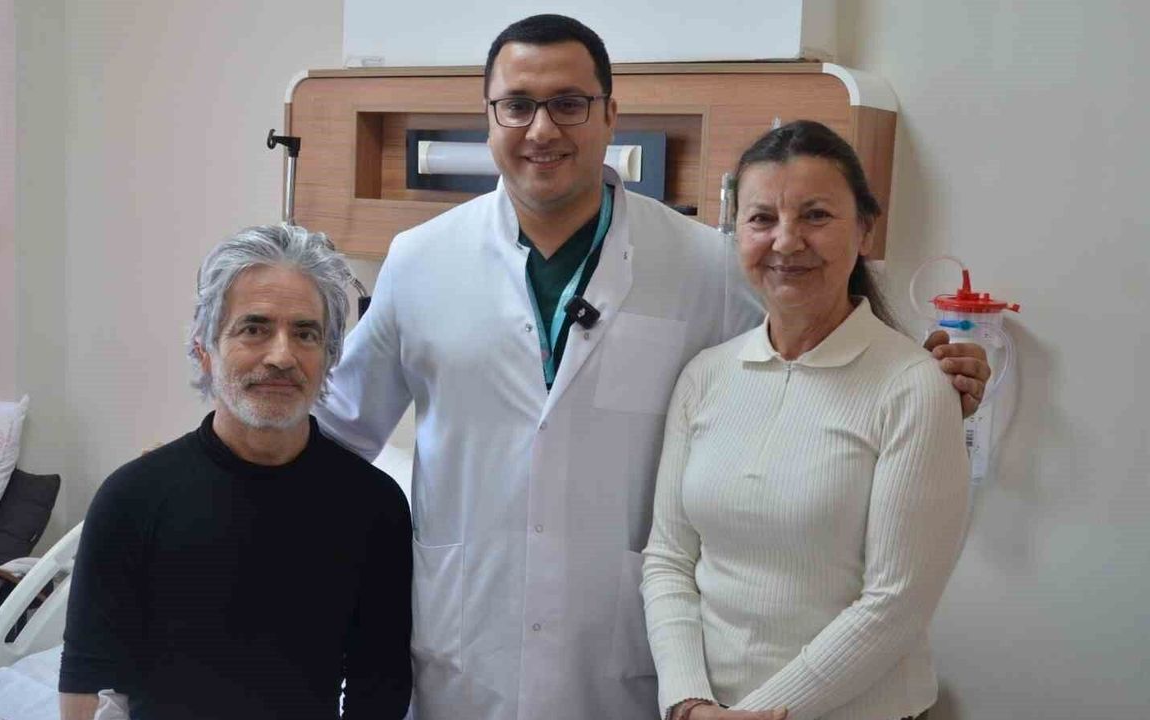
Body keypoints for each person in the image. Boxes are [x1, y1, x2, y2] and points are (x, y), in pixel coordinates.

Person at [315, 14, 988, 720]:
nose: (542, 129)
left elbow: (812, 350)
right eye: (516, 105)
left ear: (611, 115)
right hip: (466, 648)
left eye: (569, 103)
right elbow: (339, 433)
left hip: (632, 661)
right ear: (488, 118)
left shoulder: (706, 265)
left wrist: (927, 374)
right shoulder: (419, 260)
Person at [642, 120, 971, 720]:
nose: (787, 242)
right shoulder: (706, 376)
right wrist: (689, 701)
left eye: (816, 216)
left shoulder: (912, 386)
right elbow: (668, 559)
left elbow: (895, 602)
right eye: (762, 218)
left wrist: (762, 714)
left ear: (864, 229)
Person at [59, 225, 412, 720]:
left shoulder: (374, 508)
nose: (282, 356)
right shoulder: (133, 499)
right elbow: (86, 678)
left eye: (306, 334)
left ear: (330, 358)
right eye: (254, 328)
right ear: (205, 350)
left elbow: (380, 686)